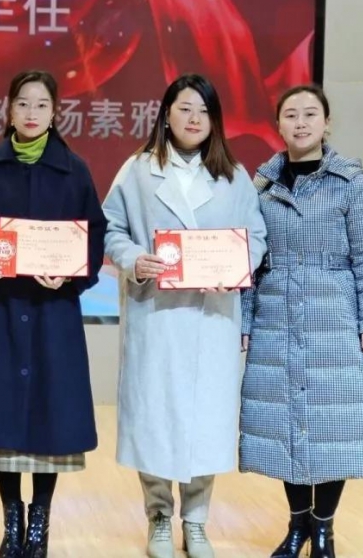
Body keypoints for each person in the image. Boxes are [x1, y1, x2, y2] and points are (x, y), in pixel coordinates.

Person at [0, 69, 107, 558]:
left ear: (55, 113)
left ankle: (40, 523)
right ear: (9, 110)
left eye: (41, 105)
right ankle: (12, 520)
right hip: (0, 310)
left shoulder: (74, 171)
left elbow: (93, 237)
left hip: (53, 312)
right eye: (23, 104)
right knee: (2, 418)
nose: (32, 113)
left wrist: (71, 274)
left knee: (51, 418)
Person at [102, 73, 267, 558]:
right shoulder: (137, 170)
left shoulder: (234, 176)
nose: (194, 119)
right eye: (185, 108)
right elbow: (111, 227)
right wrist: (134, 259)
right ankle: (158, 515)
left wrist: (235, 270)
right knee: (155, 416)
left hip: (212, 316)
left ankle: (196, 520)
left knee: (204, 420)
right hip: (156, 314)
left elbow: (255, 236)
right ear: (166, 114)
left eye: (204, 111)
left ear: (215, 120)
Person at [239, 84, 363, 558]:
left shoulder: (351, 181)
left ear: (327, 123)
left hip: (334, 316)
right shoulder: (260, 186)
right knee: (283, 422)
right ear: (277, 125)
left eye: (310, 114)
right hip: (275, 315)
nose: (300, 122)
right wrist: (244, 320)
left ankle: (323, 528)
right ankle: (297, 525)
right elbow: (249, 261)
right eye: (290, 114)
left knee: (332, 426)